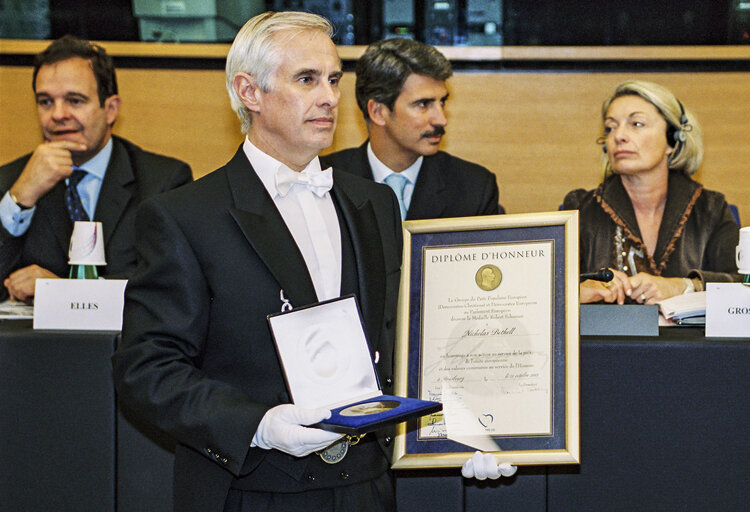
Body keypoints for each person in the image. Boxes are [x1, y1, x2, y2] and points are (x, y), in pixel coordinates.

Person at [112, 12, 403, 512]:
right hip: (253, 490)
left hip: (365, 488)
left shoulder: (373, 203)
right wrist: (260, 426)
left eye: (334, 79)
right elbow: (146, 367)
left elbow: (396, 336)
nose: (330, 97)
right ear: (250, 92)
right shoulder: (183, 216)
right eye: (306, 79)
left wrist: (462, 432)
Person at [0, 35, 192, 302]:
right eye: (45, 102)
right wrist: (20, 199)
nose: (57, 114)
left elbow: (167, 287)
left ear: (111, 109)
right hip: (37, 344)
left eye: (75, 101)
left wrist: (62, 292)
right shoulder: (11, 181)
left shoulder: (163, 182)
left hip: (122, 343)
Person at [563, 80, 740, 305]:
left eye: (636, 124)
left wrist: (685, 285)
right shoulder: (581, 208)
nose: (619, 136)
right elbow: (545, 288)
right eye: (610, 127)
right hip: (608, 340)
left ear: (673, 140)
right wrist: (577, 289)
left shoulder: (710, 209)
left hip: (689, 340)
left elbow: (747, 286)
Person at [320, 37, 500, 220]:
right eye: (423, 104)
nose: (441, 120)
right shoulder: (324, 182)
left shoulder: (475, 188)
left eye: (442, 102)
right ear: (378, 112)